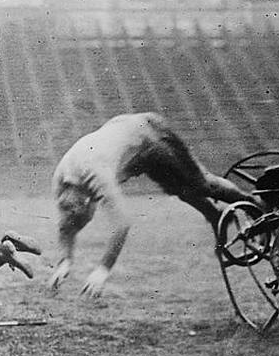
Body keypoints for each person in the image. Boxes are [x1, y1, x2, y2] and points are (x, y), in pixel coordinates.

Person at [47, 112, 257, 298]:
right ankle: (215, 215)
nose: (75, 215)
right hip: (130, 144)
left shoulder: (94, 174)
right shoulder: (63, 184)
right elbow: (67, 224)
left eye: (80, 210)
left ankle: (254, 204)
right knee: (180, 191)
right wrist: (65, 260)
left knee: (201, 184)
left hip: (150, 135)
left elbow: (122, 223)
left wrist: (103, 269)